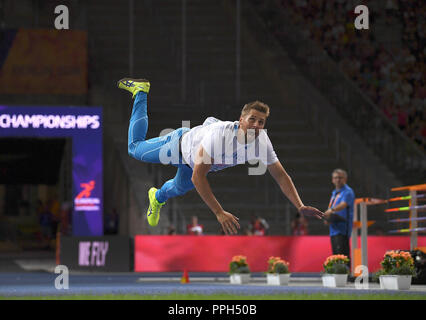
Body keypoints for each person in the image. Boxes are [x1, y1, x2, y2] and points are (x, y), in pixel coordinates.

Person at [117, 77, 324, 234]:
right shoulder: (221, 136)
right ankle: (141, 91)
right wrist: (218, 212)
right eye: (252, 119)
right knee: (135, 149)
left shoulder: (262, 141)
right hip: (179, 147)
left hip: (195, 161)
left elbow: (280, 175)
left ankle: (157, 197)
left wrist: (300, 205)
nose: (256, 125)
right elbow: (199, 177)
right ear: (241, 120)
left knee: (178, 188)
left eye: (261, 122)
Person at [323, 169, 355, 264]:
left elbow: (344, 204)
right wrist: (327, 218)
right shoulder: (334, 193)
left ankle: (346, 275)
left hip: (342, 228)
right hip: (333, 228)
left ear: (345, 179)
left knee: (343, 255)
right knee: (336, 255)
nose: (338, 180)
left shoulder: (348, 191)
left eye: (340, 178)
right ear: (332, 180)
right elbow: (331, 206)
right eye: (335, 178)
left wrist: (331, 210)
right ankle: (339, 275)